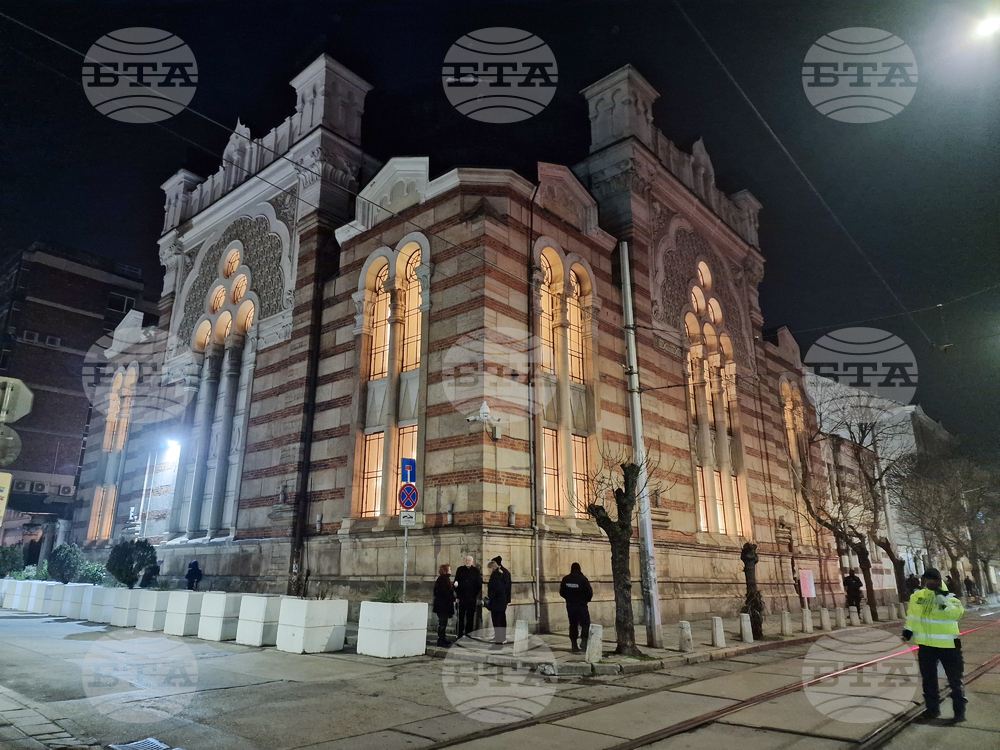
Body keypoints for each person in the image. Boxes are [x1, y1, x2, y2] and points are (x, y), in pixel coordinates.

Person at [902, 567, 966, 722]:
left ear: (938, 581)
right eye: (926, 579)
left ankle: (959, 712)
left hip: (950, 646)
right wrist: (908, 631)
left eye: (931, 579)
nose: (928, 582)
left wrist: (940, 597)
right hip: (926, 646)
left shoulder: (949, 597)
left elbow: (956, 614)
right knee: (928, 680)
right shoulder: (917, 596)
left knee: (955, 680)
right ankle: (932, 710)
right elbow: (913, 615)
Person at [559, 562, 593, 653]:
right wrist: (585, 600)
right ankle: (584, 640)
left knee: (573, 624)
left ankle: (574, 644)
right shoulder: (583, 579)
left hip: (570, 605)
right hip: (581, 605)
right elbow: (589, 593)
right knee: (585, 624)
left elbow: (562, 592)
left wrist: (569, 598)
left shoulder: (566, 579)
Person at [454, 556, 483, 639]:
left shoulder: (476, 571)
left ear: (472, 562)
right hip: (462, 597)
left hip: (471, 598)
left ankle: (469, 634)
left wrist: (474, 594)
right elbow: (456, 581)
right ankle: (459, 634)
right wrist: (457, 591)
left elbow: (478, 585)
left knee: (470, 617)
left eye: (469, 560)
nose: (467, 561)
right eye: (466, 560)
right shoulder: (460, 569)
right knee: (461, 617)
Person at [485, 558, 510, 649]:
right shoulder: (499, 575)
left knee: (497, 622)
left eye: (488, 568)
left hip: (497, 603)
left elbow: (497, 590)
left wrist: (490, 595)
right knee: (500, 621)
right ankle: (501, 639)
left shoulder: (495, 577)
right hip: (500, 603)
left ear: (491, 568)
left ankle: (499, 643)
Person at [433, 564, 456, 647]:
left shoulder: (444, 579)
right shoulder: (443, 579)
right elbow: (444, 592)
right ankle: (441, 640)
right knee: (442, 623)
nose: (450, 570)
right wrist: (453, 598)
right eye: (449, 569)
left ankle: (443, 639)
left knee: (443, 622)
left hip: (442, 605)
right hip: (442, 605)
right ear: (446, 570)